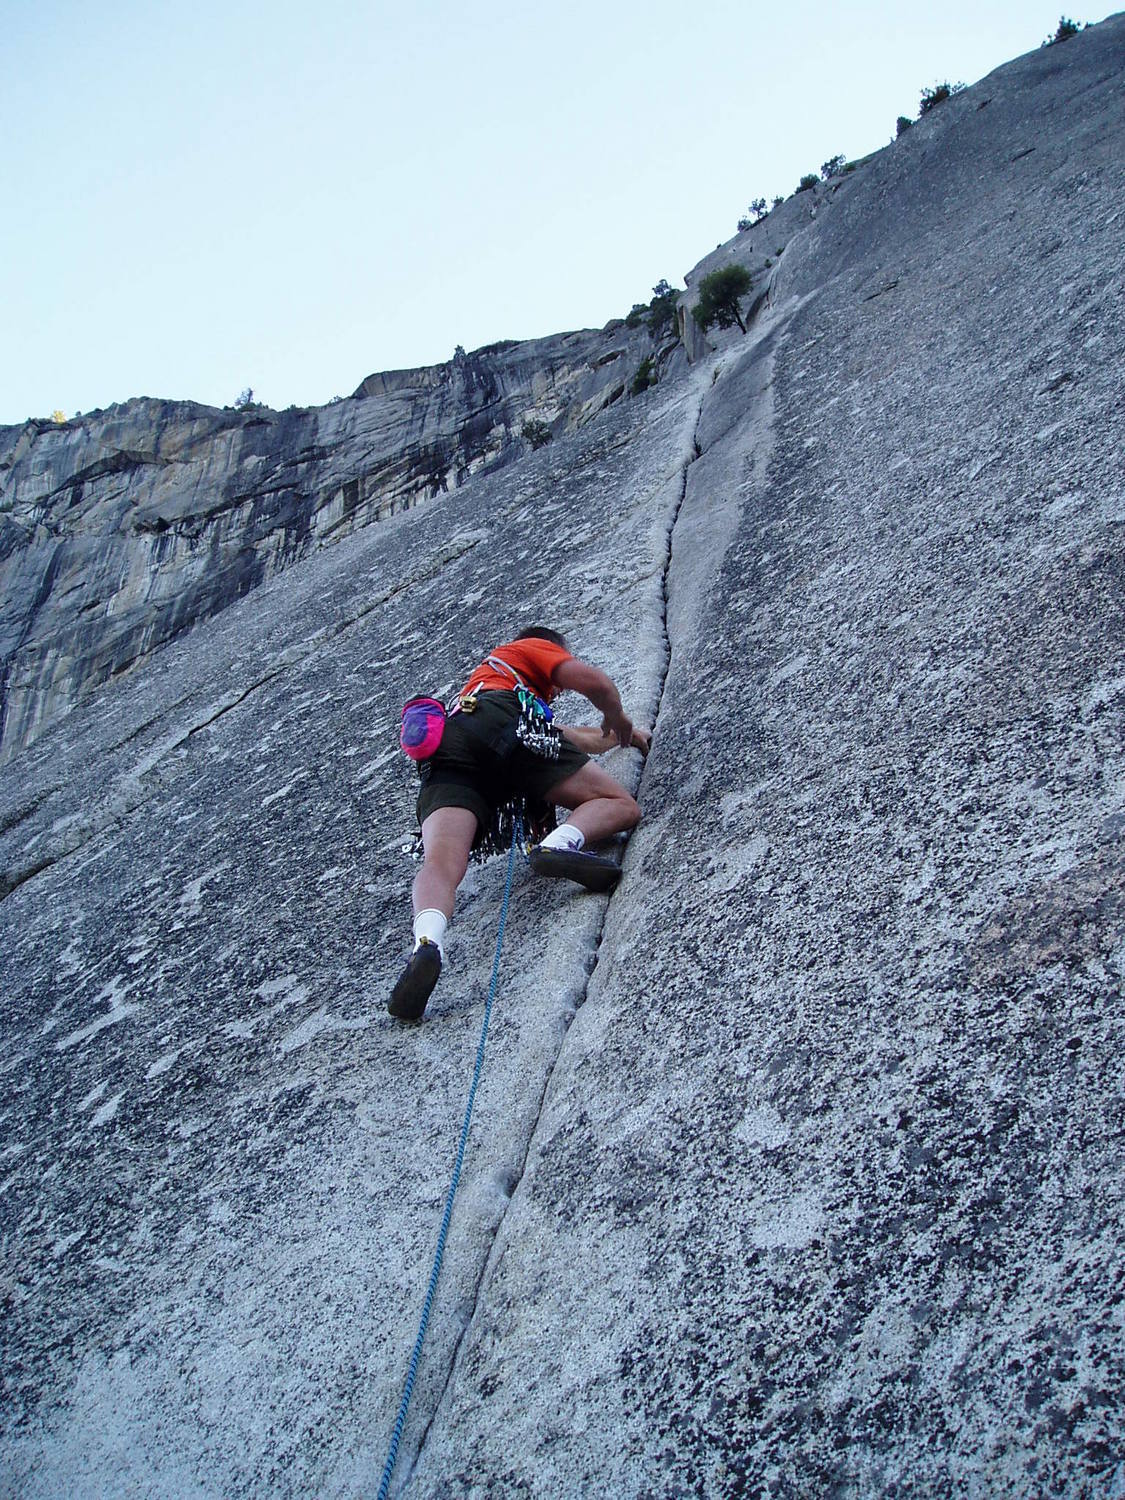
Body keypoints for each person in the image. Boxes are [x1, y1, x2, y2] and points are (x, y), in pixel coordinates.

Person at [390, 627, 651, 1020]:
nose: (558, 693)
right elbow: (595, 682)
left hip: (451, 753)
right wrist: (620, 718)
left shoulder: (481, 693)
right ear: (552, 648)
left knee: (440, 865)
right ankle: (560, 844)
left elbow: (569, 738)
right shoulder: (526, 651)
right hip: (504, 730)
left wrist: (618, 739)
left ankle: (427, 944)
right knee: (620, 804)